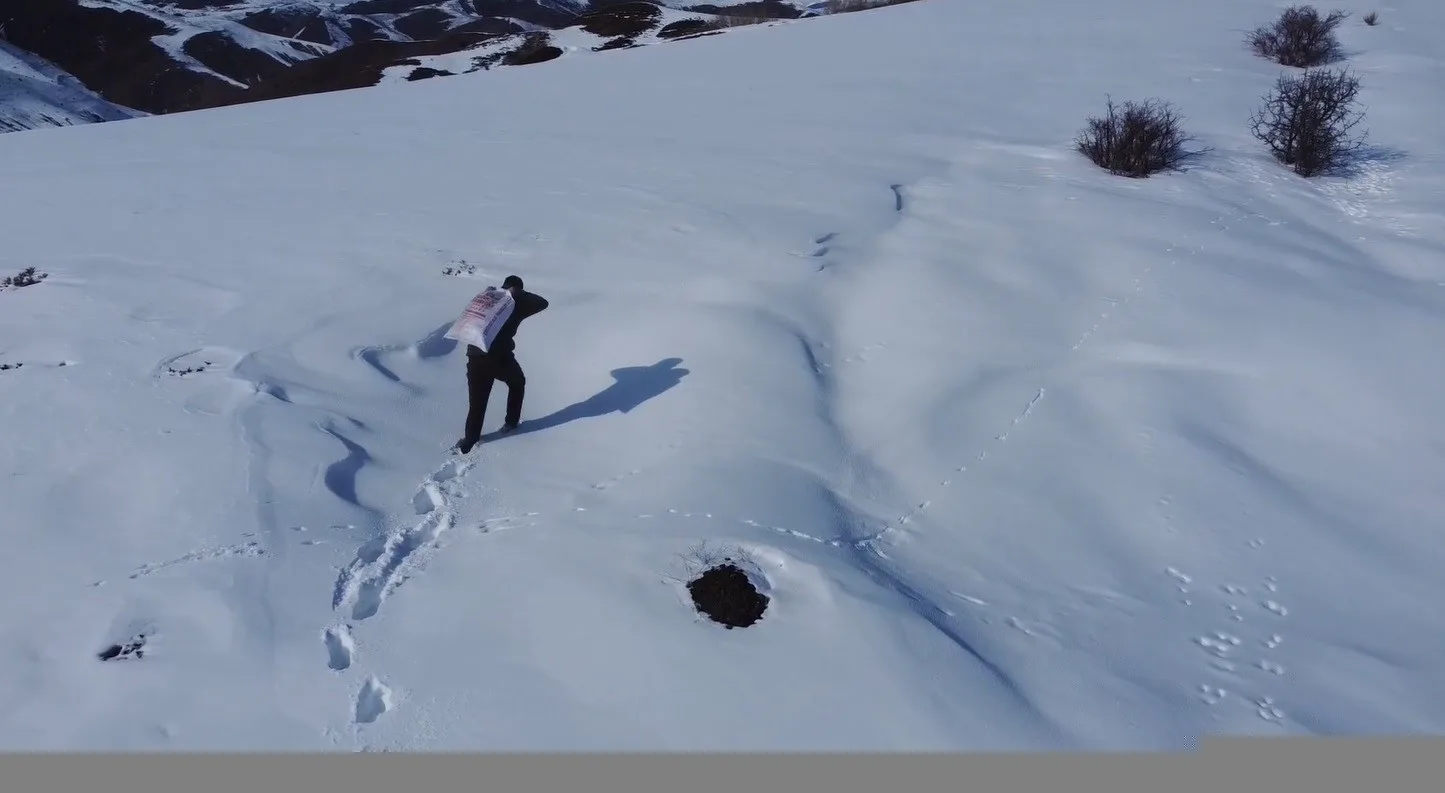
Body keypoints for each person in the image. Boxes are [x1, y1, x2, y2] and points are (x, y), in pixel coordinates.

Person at [455, 275, 549, 454]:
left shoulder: (487, 298)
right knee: (518, 382)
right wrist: (518, 294)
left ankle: (470, 440)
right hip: (500, 359)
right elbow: (542, 303)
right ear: (518, 289)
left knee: (477, 403)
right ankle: (512, 422)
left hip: (475, 357)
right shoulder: (516, 303)